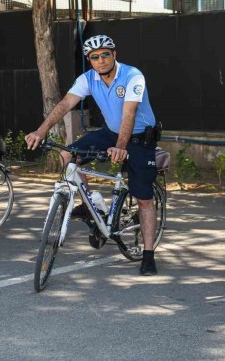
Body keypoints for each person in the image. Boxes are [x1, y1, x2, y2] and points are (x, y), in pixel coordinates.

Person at [25, 35, 161, 276]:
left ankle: (148, 253)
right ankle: (88, 206)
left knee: (144, 200)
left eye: (105, 54)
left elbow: (129, 113)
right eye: (95, 57)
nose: (101, 60)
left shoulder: (132, 76)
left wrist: (121, 145)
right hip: (110, 133)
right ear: (90, 60)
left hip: (140, 139)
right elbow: (64, 105)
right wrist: (40, 130)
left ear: (114, 54)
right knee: (68, 156)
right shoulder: (88, 78)